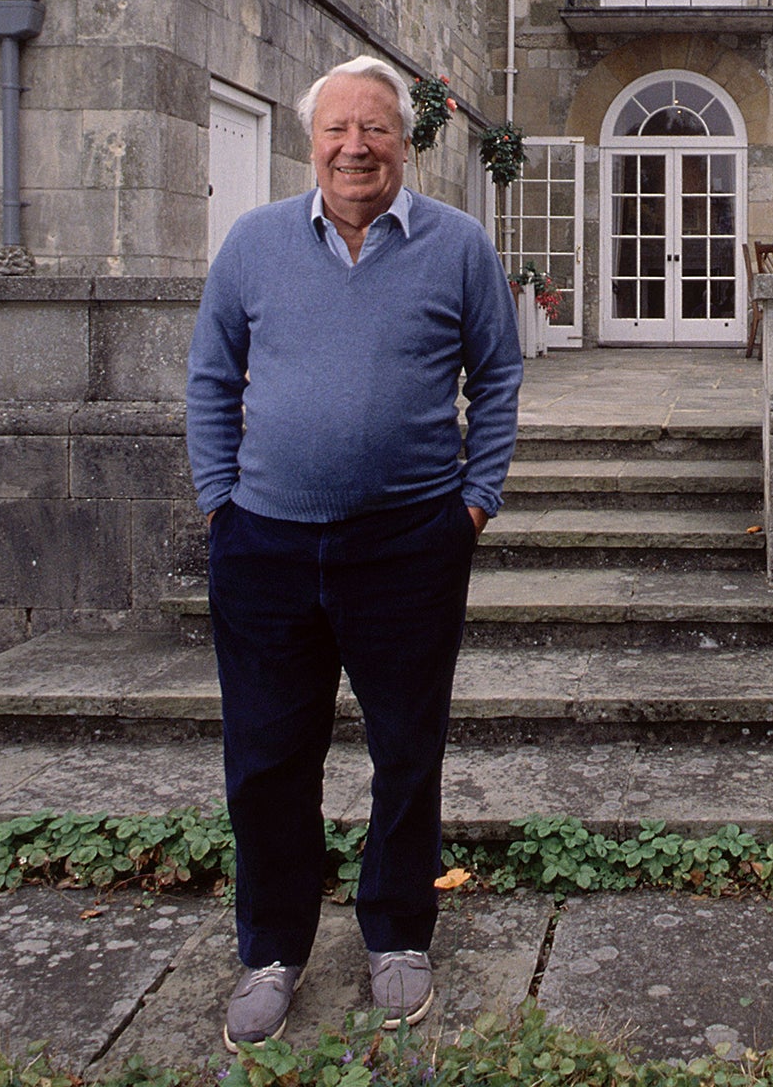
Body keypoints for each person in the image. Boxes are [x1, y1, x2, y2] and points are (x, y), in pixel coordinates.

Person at [186, 56, 521, 1049]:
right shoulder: (251, 244)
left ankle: (396, 931)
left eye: (375, 129)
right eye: (337, 129)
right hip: (265, 548)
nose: (355, 147)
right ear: (310, 140)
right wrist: (220, 507)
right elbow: (209, 378)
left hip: (409, 547)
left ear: (404, 143)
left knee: (405, 752)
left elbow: (496, 377)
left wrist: (473, 504)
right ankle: (273, 947)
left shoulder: (457, 247)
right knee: (265, 758)